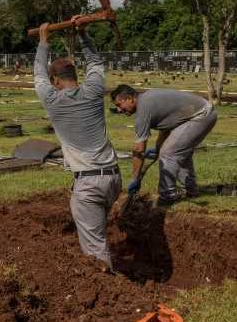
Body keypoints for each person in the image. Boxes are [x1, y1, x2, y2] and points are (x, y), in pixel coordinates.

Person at [34, 20, 121, 271]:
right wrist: (83, 33)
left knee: (95, 252)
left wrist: (43, 41)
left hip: (89, 184)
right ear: (75, 76)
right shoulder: (93, 91)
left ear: (56, 81)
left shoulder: (52, 100)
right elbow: (95, 62)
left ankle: (107, 287)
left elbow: (38, 74)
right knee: (97, 232)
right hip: (113, 178)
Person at [111, 85, 217, 206]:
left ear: (130, 99)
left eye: (119, 105)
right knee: (178, 152)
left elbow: (138, 149)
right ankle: (190, 190)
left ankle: (167, 196)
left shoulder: (143, 109)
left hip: (201, 115)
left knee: (169, 153)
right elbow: (166, 128)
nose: (119, 110)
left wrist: (135, 178)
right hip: (202, 113)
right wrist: (157, 148)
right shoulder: (147, 101)